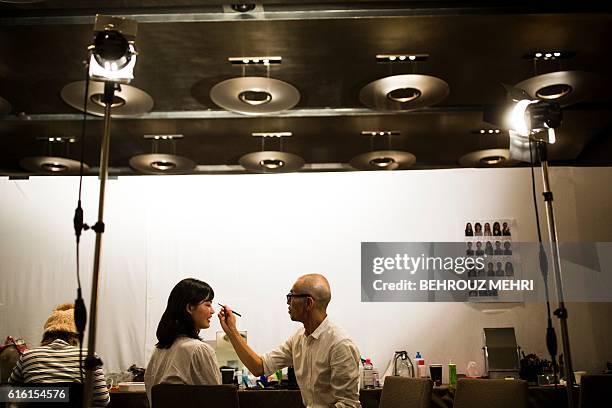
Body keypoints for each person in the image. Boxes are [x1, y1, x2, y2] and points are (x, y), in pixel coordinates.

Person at [218, 274, 361, 408]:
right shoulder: (299, 339)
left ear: (309, 303)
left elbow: (348, 405)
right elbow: (259, 367)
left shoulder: (339, 344)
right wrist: (232, 332)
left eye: (291, 296)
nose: (288, 303)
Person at [9, 303, 109, 406]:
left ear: (47, 334)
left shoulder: (28, 356)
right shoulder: (88, 356)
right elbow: (102, 399)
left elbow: (9, 393)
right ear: (75, 336)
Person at [145, 278, 221, 404]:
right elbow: (217, 400)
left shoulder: (158, 350)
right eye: (207, 304)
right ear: (190, 308)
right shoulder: (199, 349)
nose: (212, 311)